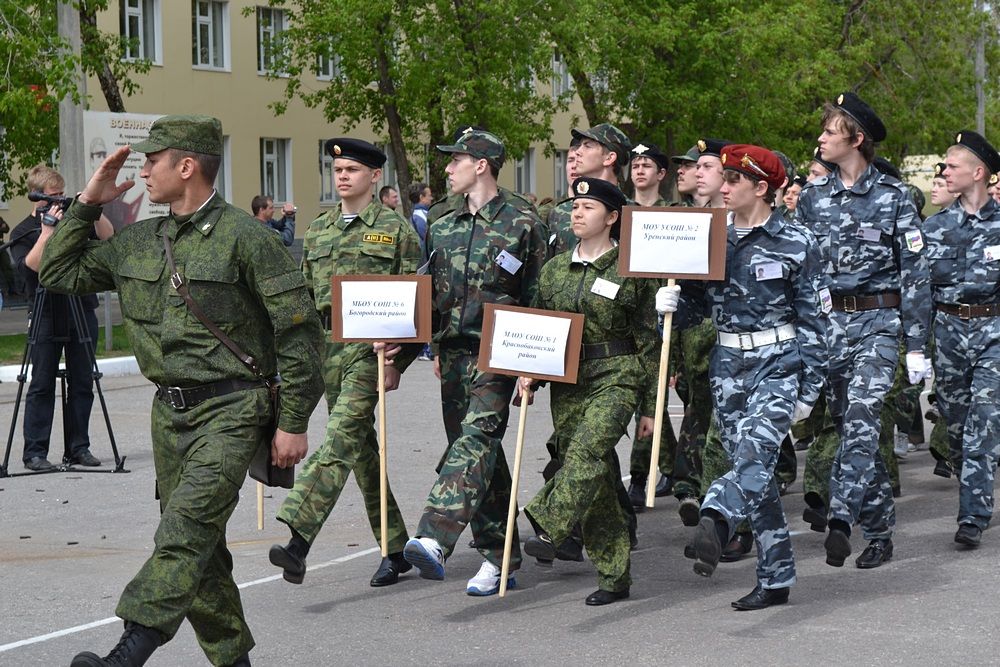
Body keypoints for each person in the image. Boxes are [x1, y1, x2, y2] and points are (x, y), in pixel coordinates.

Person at [42, 115, 325, 667]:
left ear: (187, 166)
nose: (143, 171)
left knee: (183, 532)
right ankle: (233, 661)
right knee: (202, 550)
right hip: (169, 416)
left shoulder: (247, 238)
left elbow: (299, 334)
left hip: (233, 407)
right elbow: (57, 272)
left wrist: (293, 420)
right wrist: (88, 201)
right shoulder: (142, 243)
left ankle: (126, 655)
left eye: (152, 161)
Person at [660, 143, 828, 610]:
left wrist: (809, 391)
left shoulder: (798, 242)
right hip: (728, 367)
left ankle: (714, 515)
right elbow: (692, 305)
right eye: (724, 178)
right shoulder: (711, 237)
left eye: (734, 180)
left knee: (754, 456)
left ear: (762, 187)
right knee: (755, 478)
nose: (723, 186)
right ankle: (776, 578)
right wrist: (668, 307)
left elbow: (815, 321)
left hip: (780, 362)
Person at [380, 128, 545, 596]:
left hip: (500, 353)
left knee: (474, 441)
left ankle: (434, 534)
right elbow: (428, 297)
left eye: (455, 160)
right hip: (452, 357)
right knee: (480, 456)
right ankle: (500, 555)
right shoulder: (441, 221)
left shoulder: (523, 222)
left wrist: (535, 366)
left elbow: (537, 298)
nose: (448, 169)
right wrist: (401, 352)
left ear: (481, 165)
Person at [269, 138, 422, 588]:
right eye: (337, 169)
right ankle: (395, 547)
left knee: (338, 440)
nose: (342, 176)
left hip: (369, 351)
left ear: (375, 177)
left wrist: (400, 360)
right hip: (326, 349)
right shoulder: (317, 230)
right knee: (359, 451)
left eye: (352, 169)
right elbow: (303, 300)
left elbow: (419, 302)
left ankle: (298, 538)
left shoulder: (397, 231)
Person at [795, 92, 931, 570]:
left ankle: (840, 517)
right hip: (831, 327)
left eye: (829, 132)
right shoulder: (812, 198)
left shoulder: (893, 197)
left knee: (862, 415)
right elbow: (801, 269)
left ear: (856, 139)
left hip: (879, 324)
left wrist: (917, 345)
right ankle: (880, 531)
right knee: (856, 431)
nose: (820, 138)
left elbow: (915, 274)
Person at [520, 177, 658, 606]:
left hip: (617, 373)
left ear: (613, 217)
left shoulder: (631, 268)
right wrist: (528, 372)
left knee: (585, 453)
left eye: (589, 207)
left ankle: (547, 522)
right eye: (575, 206)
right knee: (595, 481)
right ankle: (614, 575)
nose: (577, 213)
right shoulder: (555, 269)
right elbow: (540, 329)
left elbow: (651, 343)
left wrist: (651, 406)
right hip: (568, 381)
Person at [922, 130, 1000, 548]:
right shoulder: (933, 229)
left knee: (983, 425)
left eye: (952, 166)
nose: (946, 172)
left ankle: (973, 514)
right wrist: (916, 346)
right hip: (948, 335)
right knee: (955, 425)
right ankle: (969, 473)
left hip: (994, 333)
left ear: (978, 172)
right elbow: (920, 291)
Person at [9, 165, 114, 472]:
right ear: (37, 197)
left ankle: (78, 447)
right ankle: (35, 453)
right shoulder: (22, 231)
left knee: (83, 382)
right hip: (45, 312)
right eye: (52, 196)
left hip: (80, 308)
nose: (58, 202)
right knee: (41, 384)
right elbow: (32, 267)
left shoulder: (74, 222)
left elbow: (108, 237)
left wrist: (91, 207)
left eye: (61, 195)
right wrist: (47, 232)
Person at [545, 123, 631, 257]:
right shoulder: (559, 213)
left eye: (588, 146)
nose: (578, 151)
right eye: (580, 145)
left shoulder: (631, 213)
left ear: (609, 158)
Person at [629, 142, 670, 206]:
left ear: (661, 174)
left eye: (646, 166)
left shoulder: (673, 213)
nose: (640, 171)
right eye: (635, 167)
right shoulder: (620, 210)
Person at [407, 181, 432, 257]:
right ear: (421, 197)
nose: (431, 198)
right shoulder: (423, 217)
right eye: (429, 195)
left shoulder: (413, 216)